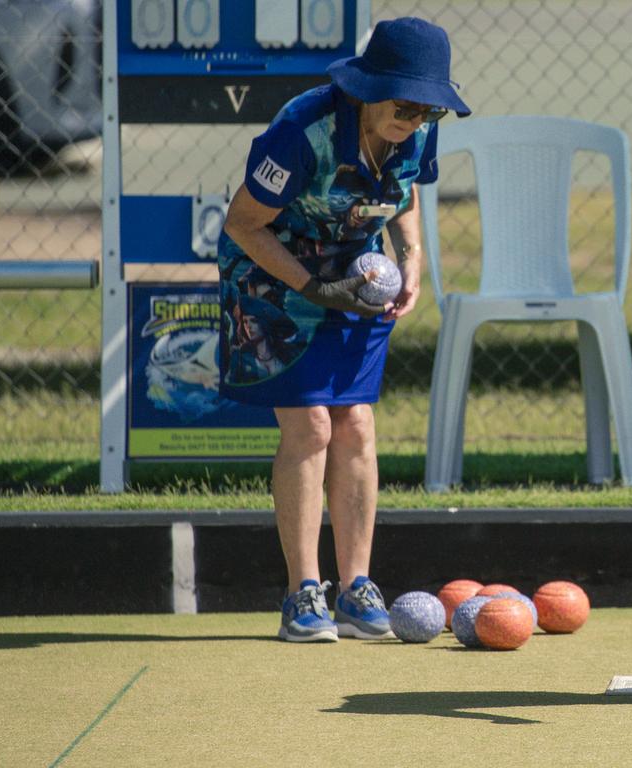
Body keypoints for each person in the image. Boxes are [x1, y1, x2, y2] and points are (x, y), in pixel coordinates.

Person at [218, 17, 471, 642]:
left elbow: (407, 194)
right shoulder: (301, 133)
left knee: (355, 422)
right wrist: (312, 287)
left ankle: (358, 589)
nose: (414, 121)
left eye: (428, 112)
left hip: (361, 277)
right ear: (369, 88)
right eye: (405, 106)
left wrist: (411, 260)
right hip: (275, 280)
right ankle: (304, 593)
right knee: (310, 425)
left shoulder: (416, 133)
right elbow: (242, 225)